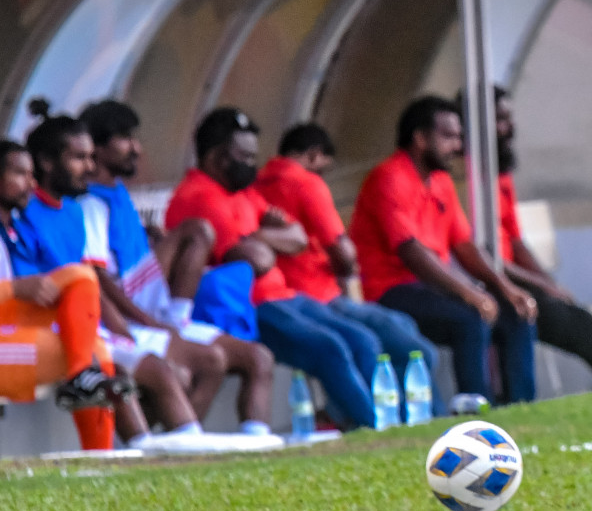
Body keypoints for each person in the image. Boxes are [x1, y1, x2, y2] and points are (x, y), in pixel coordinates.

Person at [166, 108, 382, 429]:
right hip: (249, 308)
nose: (253, 165)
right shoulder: (200, 196)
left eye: (254, 156)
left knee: (364, 340)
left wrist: (257, 238)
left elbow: (298, 239)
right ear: (216, 156)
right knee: (330, 347)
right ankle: (372, 429)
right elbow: (256, 259)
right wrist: (265, 240)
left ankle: (341, 420)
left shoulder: (241, 191)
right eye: (244, 157)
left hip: (284, 295)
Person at [11, 112, 212, 448]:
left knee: (175, 370)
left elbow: (89, 286)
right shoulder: (26, 214)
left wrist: (125, 331)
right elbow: (51, 286)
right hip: (51, 330)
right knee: (134, 371)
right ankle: (150, 449)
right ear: (45, 163)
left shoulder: (73, 211)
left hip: (87, 327)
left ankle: (171, 447)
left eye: (91, 157)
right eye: (79, 158)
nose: (89, 167)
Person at [77, 100, 278, 428]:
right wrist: (147, 324)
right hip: (128, 316)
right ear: (96, 148)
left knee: (259, 358)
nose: (137, 149)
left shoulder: (117, 192)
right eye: (125, 139)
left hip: (150, 306)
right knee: (202, 364)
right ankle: (177, 448)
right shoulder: (88, 203)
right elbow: (98, 279)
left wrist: (152, 238)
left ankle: (256, 445)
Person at [351, 96, 539, 405]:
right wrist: (469, 293)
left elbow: (464, 246)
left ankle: (521, 407)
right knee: (469, 317)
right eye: (449, 136)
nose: (457, 145)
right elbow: (412, 252)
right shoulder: (389, 177)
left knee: (516, 313)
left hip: (431, 287)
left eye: (459, 137)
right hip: (391, 290)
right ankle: (476, 412)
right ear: (421, 138)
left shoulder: (440, 180)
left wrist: (506, 288)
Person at [473, 88, 592, 387]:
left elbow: (516, 242)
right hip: (487, 282)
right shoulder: (469, 182)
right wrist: (541, 285)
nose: (508, 128)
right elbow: (481, 254)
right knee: (554, 317)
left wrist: (550, 284)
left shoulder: (499, 176)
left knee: (575, 315)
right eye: (499, 119)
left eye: (508, 118)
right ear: (477, 125)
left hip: (512, 281)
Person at [255, 123, 440, 403]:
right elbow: (343, 253)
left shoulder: (255, 184)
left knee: (398, 325)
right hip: (318, 296)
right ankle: (408, 418)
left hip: (289, 297)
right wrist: (346, 268)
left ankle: (391, 414)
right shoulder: (306, 183)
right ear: (314, 155)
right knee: (413, 349)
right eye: (323, 168)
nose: (323, 176)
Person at [0, 139, 126, 412]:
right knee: (83, 351)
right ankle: (80, 374)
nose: (32, 184)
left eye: (32, 175)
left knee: (80, 276)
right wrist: (15, 289)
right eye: (20, 174)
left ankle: (100, 454)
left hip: (8, 328)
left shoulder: (17, 228)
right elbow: (13, 291)